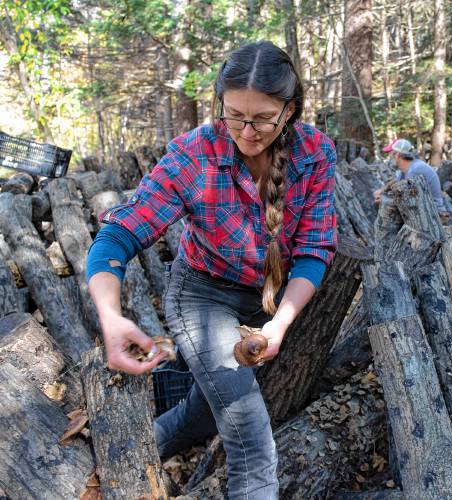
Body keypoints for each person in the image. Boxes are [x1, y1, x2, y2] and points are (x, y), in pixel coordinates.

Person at [85, 41, 337, 500]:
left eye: (262, 118)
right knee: (251, 437)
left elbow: (316, 249)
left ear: (291, 109)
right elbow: (118, 235)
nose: (246, 130)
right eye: (233, 114)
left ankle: (109, 461)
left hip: (268, 303)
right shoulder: (194, 154)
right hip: (202, 297)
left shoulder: (315, 152)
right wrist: (110, 314)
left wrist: (279, 324)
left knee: (202, 415)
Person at [372, 138, 448, 215]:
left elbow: (410, 201)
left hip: (434, 213)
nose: (389, 159)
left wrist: (385, 200)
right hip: (424, 210)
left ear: (397, 155)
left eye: (391, 155)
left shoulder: (415, 170)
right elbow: (395, 182)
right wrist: (382, 190)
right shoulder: (407, 168)